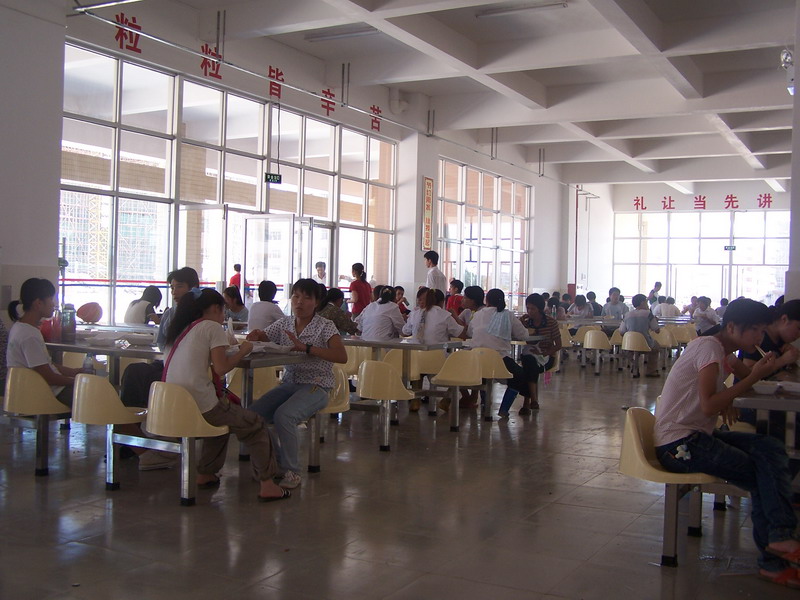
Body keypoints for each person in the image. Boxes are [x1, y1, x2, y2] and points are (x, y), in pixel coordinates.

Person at [654, 298, 800, 587]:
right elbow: (709, 405)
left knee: (770, 448)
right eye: (755, 330)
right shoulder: (709, 347)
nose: (760, 337)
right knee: (762, 472)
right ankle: (775, 553)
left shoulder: (722, 351)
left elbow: (740, 384)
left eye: (762, 331)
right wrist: (749, 378)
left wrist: (753, 375)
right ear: (732, 327)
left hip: (695, 436)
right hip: (678, 444)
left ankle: (779, 539)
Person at [160, 287, 288, 501]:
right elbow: (221, 369)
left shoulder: (179, 330)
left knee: (220, 429)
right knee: (256, 424)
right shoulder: (211, 327)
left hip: (171, 407)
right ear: (213, 308)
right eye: (222, 310)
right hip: (201, 406)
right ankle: (268, 484)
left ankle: (206, 473)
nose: (224, 315)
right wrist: (243, 351)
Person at [248, 279, 347, 489]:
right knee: (252, 416)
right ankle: (274, 463)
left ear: (317, 302)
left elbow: (341, 356)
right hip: (289, 383)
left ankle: (292, 471)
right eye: (296, 296)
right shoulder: (285, 324)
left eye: (306, 297)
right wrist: (256, 335)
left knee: (284, 415)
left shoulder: (325, 326)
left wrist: (307, 348)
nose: (299, 302)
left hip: (317, 385)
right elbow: (264, 336)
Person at [6, 278, 90, 407]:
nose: (53, 304)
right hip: (48, 393)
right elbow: (48, 376)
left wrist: (73, 372)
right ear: (38, 303)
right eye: (51, 299)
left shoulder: (20, 327)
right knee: (100, 397)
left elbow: (45, 365)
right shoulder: (29, 335)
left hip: (35, 390)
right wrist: (76, 381)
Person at [737, 299, 800, 434]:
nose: (798, 335)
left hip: (772, 400)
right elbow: (747, 373)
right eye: (798, 328)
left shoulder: (781, 341)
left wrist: (792, 360)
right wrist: (783, 360)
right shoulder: (759, 338)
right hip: (749, 404)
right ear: (784, 319)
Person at [465, 288, 528, 413]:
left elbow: (470, 333)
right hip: (500, 360)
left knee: (484, 375)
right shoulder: (508, 315)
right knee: (520, 376)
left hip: (477, 360)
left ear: (487, 300)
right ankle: (504, 409)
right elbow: (524, 335)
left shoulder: (478, 314)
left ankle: (485, 403)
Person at [499, 293, 562, 416]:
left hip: (546, 357)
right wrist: (521, 322)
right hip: (530, 355)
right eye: (528, 308)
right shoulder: (527, 322)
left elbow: (558, 345)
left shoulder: (551, 322)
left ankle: (528, 402)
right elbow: (516, 334)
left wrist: (544, 353)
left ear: (540, 308)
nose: (530, 311)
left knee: (528, 365)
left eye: (533, 308)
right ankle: (532, 400)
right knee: (529, 362)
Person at [619, 293, 660, 377]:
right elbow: (657, 330)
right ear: (642, 303)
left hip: (629, 344)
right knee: (656, 347)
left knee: (630, 351)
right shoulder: (648, 314)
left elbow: (622, 331)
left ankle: (634, 365)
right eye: (646, 302)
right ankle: (651, 371)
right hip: (646, 344)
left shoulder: (627, 315)